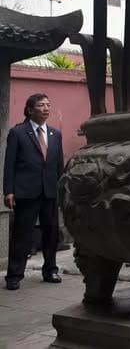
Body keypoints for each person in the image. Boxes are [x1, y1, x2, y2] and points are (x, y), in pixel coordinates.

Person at [4, 93, 64, 290]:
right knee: (22, 235)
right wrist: (8, 191)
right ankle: (14, 275)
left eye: (48, 104)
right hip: (26, 192)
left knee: (51, 233)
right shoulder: (18, 133)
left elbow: (58, 165)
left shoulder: (55, 134)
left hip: (50, 191)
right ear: (30, 110)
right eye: (41, 105)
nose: (46, 108)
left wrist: (62, 188)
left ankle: (50, 270)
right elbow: (9, 164)